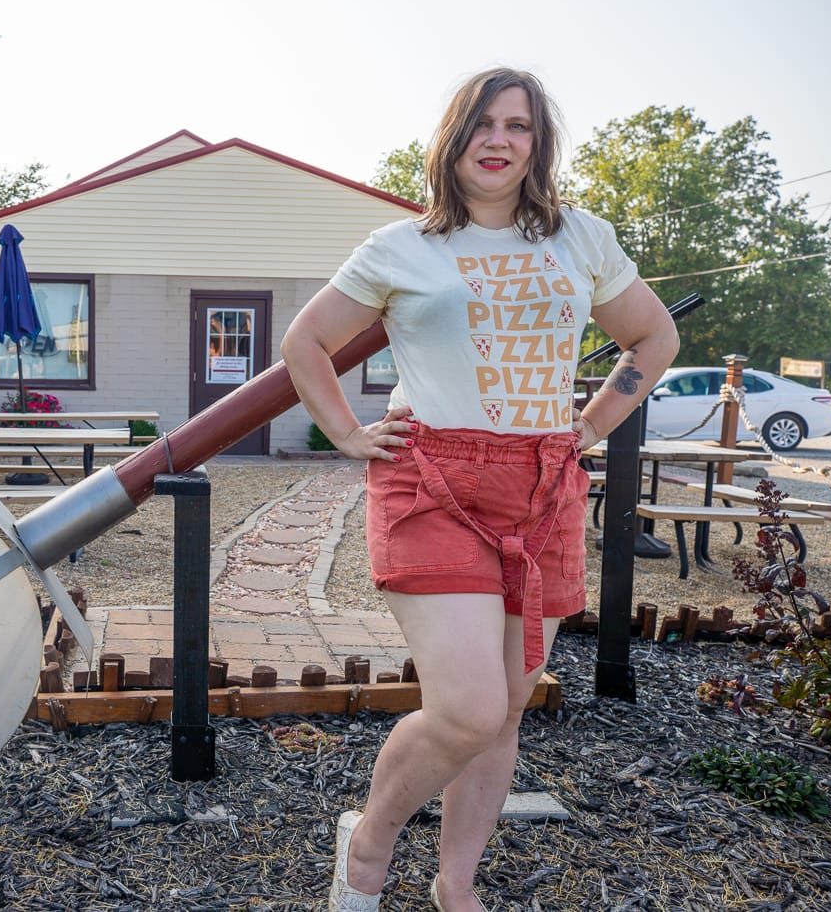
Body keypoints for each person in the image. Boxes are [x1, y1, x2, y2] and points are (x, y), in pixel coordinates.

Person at [280, 67, 679, 912]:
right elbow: (306, 341)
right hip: (435, 480)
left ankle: (454, 883)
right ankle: (371, 838)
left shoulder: (581, 238)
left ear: (538, 144)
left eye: (520, 126)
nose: (500, 141)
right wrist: (349, 433)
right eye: (483, 125)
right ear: (454, 139)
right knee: (466, 706)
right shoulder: (402, 247)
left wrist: (593, 424)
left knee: (505, 712)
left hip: (544, 483)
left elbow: (653, 333)